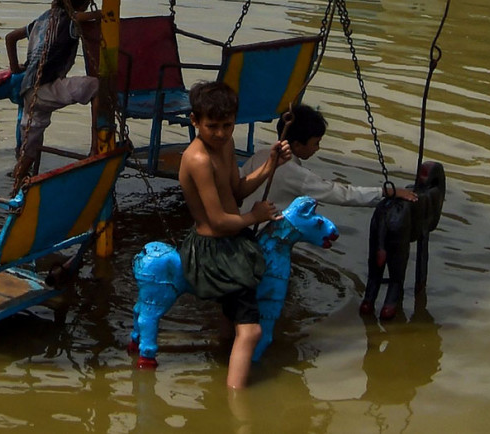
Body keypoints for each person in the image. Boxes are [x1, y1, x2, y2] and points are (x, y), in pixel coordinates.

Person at [177, 81, 292, 389]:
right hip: (213, 247)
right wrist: (254, 217)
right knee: (251, 331)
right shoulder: (198, 159)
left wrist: (270, 164)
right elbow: (216, 221)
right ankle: (237, 404)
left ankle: (223, 359)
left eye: (227, 126)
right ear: (194, 121)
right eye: (211, 126)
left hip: (232, 237)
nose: (220, 133)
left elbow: (238, 191)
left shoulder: (225, 146)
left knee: (234, 322)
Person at [240, 104, 416, 212]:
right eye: (315, 143)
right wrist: (384, 192)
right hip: (261, 229)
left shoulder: (261, 154)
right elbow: (341, 194)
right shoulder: (296, 173)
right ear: (297, 145)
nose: (318, 148)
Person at [5, 0, 99, 180]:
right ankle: (96, 145)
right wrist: (102, 15)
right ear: (78, 5)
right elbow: (81, 16)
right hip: (47, 89)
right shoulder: (71, 21)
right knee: (94, 86)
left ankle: (15, 185)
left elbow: (10, 37)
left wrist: (15, 68)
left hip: (28, 93)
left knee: (27, 155)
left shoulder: (42, 19)